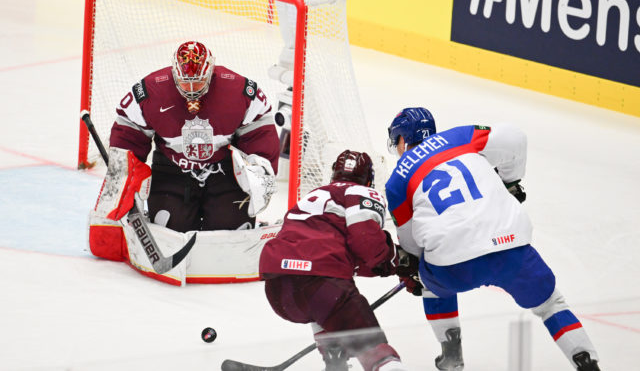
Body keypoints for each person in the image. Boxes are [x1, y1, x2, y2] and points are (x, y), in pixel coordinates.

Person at [384, 107, 601, 371]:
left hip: (453, 267)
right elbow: (515, 138)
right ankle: (586, 361)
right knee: (551, 304)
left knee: (429, 279)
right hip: (511, 248)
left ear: (404, 140)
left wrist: (415, 272)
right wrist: (510, 182)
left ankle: (451, 354)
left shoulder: (396, 181)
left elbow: (411, 244)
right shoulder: (460, 136)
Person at [92, 40, 280, 234]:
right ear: (174, 73)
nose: (191, 90)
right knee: (168, 228)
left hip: (225, 173)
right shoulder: (150, 91)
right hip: (171, 171)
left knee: (232, 231)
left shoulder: (239, 90)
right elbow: (128, 132)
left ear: (210, 72)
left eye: (197, 82)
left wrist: (260, 166)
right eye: (185, 82)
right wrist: (125, 171)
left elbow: (260, 130)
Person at [259, 150, 409, 371]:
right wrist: (400, 262)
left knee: (321, 304)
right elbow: (367, 244)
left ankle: (334, 357)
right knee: (378, 356)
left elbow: (342, 254)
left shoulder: (314, 195)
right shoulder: (362, 192)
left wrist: (390, 265)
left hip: (278, 289)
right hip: (322, 286)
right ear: (369, 179)